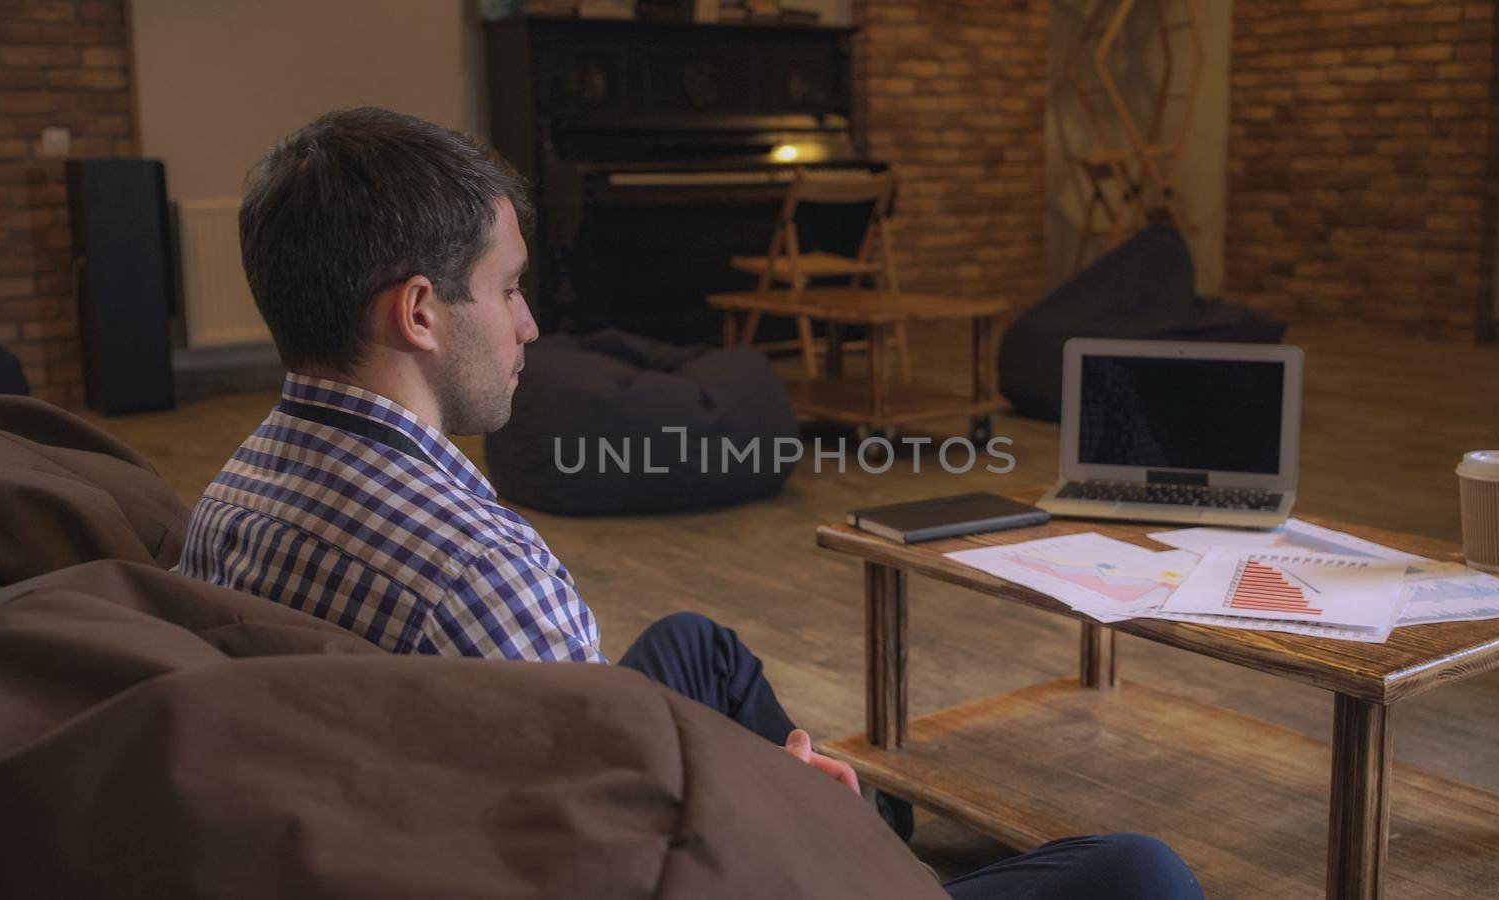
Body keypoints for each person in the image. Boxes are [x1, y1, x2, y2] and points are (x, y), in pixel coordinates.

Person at [176, 106, 1201, 898]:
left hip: (411, 811)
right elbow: (623, 866)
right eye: (508, 289)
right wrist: (787, 816)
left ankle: (870, 830)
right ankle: (884, 862)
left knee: (695, 642)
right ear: (419, 314)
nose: (531, 325)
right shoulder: (477, 572)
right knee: (1138, 871)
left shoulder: (233, 494)